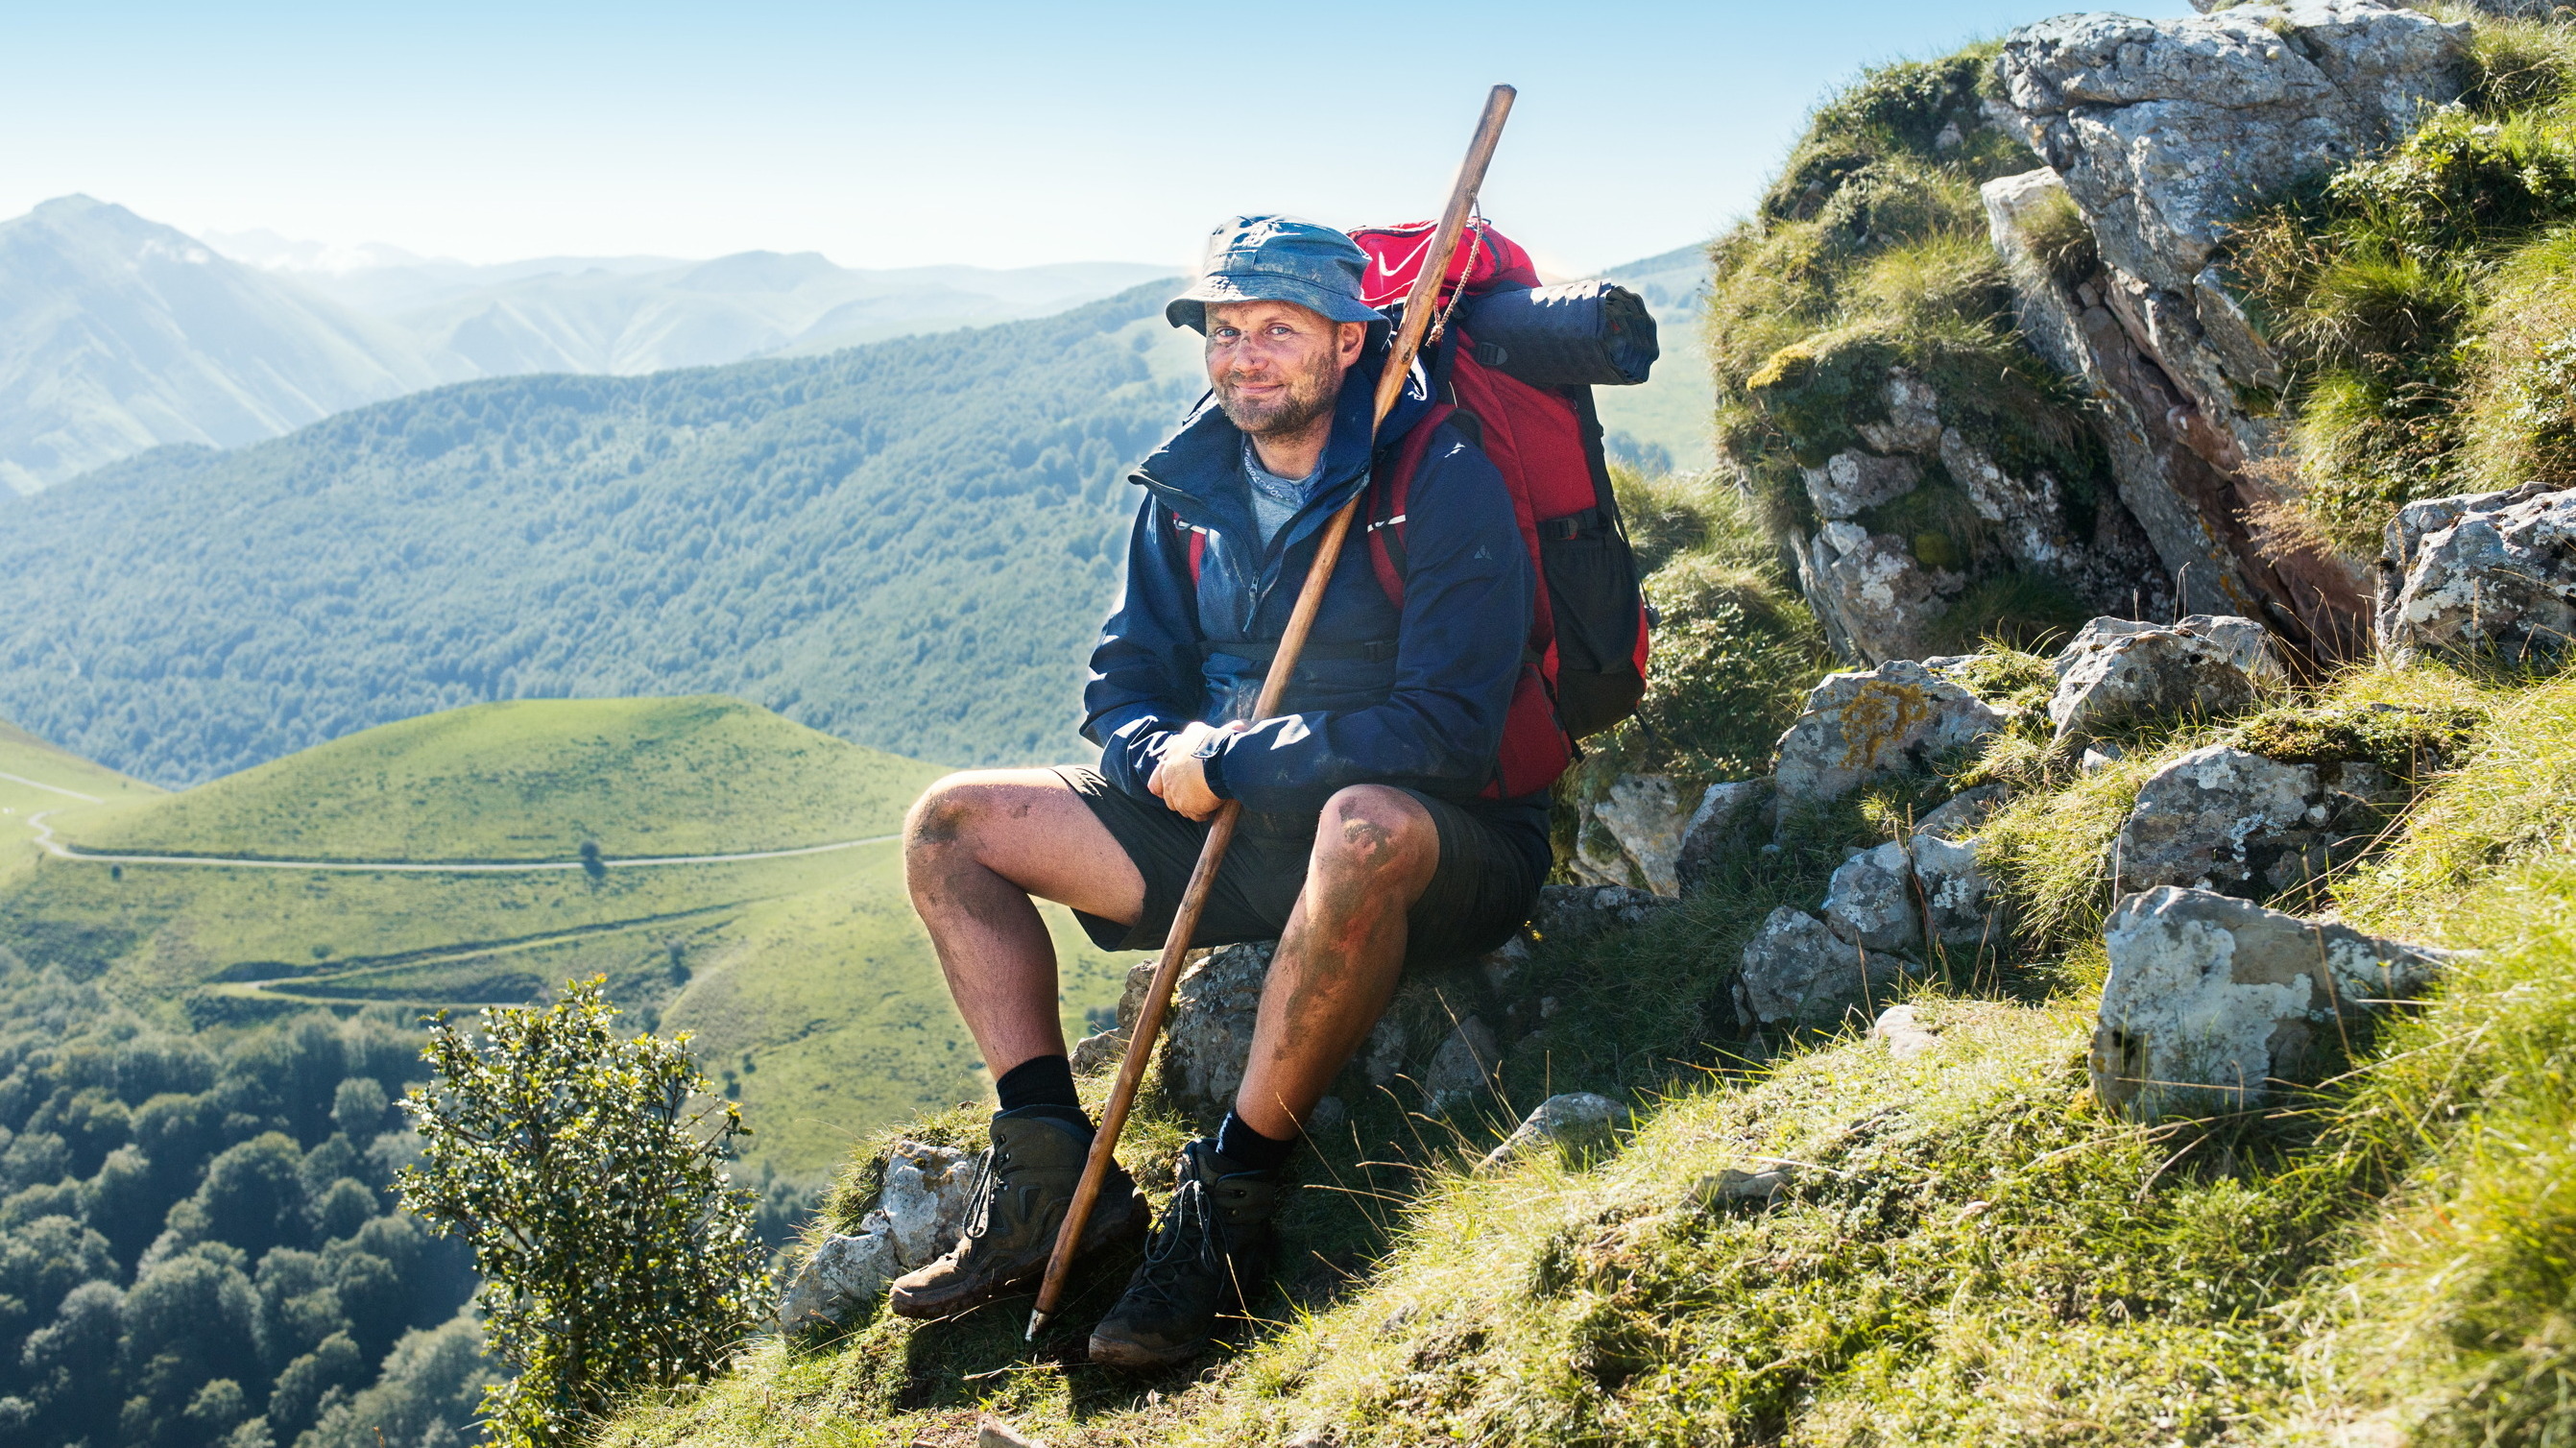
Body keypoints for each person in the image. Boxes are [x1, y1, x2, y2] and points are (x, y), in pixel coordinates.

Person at [889, 214, 1550, 1367]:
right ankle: (1054, 1177)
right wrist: (1155, 758)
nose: (1243, 354)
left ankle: (1230, 1207)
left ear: (1351, 342)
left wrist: (1238, 759)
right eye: (1224, 328)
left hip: (1438, 842)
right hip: (1230, 831)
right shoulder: (1189, 481)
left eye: (1277, 329)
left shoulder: (1438, 474)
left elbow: (1447, 732)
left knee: (1361, 823)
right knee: (951, 823)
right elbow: (1121, 683)